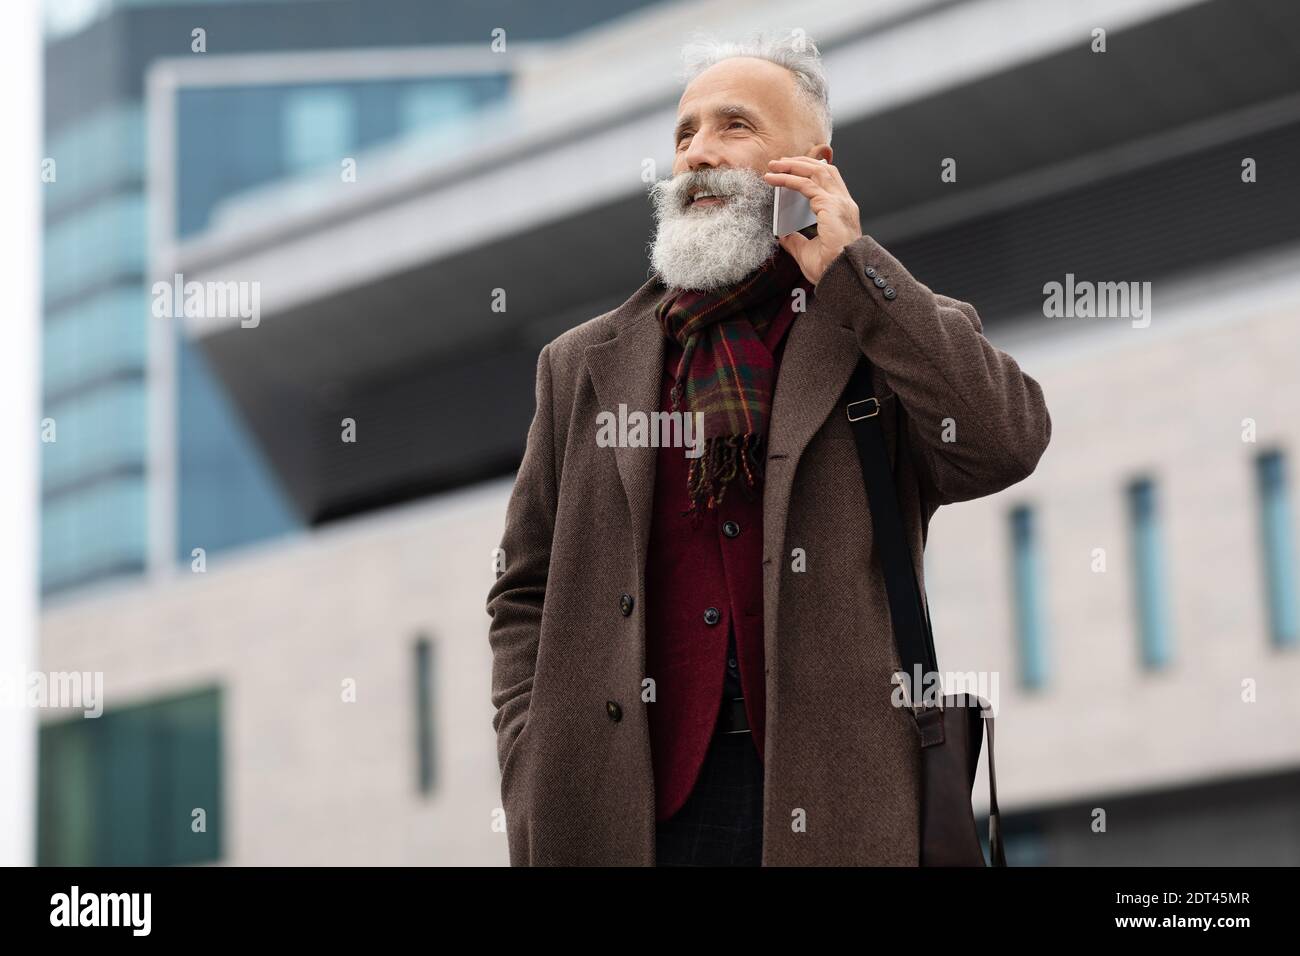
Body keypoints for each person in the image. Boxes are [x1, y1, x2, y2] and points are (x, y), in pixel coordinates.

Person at [486, 29, 1051, 866]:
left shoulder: (874, 325)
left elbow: (1004, 441)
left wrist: (855, 270)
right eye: (684, 134)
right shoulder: (580, 366)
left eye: (734, 126)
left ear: (812, 164)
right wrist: (532, 761)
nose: (698, 154)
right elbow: (522, 589)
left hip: (836, 801)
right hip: (621, 811)